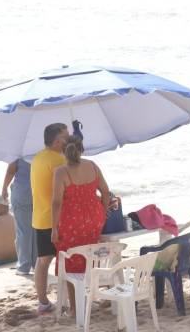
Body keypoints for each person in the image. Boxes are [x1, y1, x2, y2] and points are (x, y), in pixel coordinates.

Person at [51, 135, 110, 316]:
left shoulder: (61, 172)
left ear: (64, 151)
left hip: (72, 222)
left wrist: (54, 228)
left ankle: (76, 308)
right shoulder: (92, 166)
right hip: (94, 218)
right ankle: (92, 294)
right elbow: (106, 192)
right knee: (90, 256)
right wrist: (104, 213)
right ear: (81, 149)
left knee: (70, 260)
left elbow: (56, 203)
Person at [31, 123, 69, 314]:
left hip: (39, 216)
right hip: (54, 218)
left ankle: (43, 302)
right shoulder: (58, 160)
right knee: (65, 258)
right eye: (66, 136)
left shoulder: (38, 157)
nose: (69, 139)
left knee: (43, 261)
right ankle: (69, 299)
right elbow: (67, 189)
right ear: (57, 141)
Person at [2, 158, 37, 275]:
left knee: (23, 230)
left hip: (22, 192)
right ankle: (37, 264)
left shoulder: (19, 149)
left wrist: (4, 188)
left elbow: (11, 170)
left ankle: (24, 265)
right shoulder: (41, 147)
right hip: (39, 191)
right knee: (36, 229)